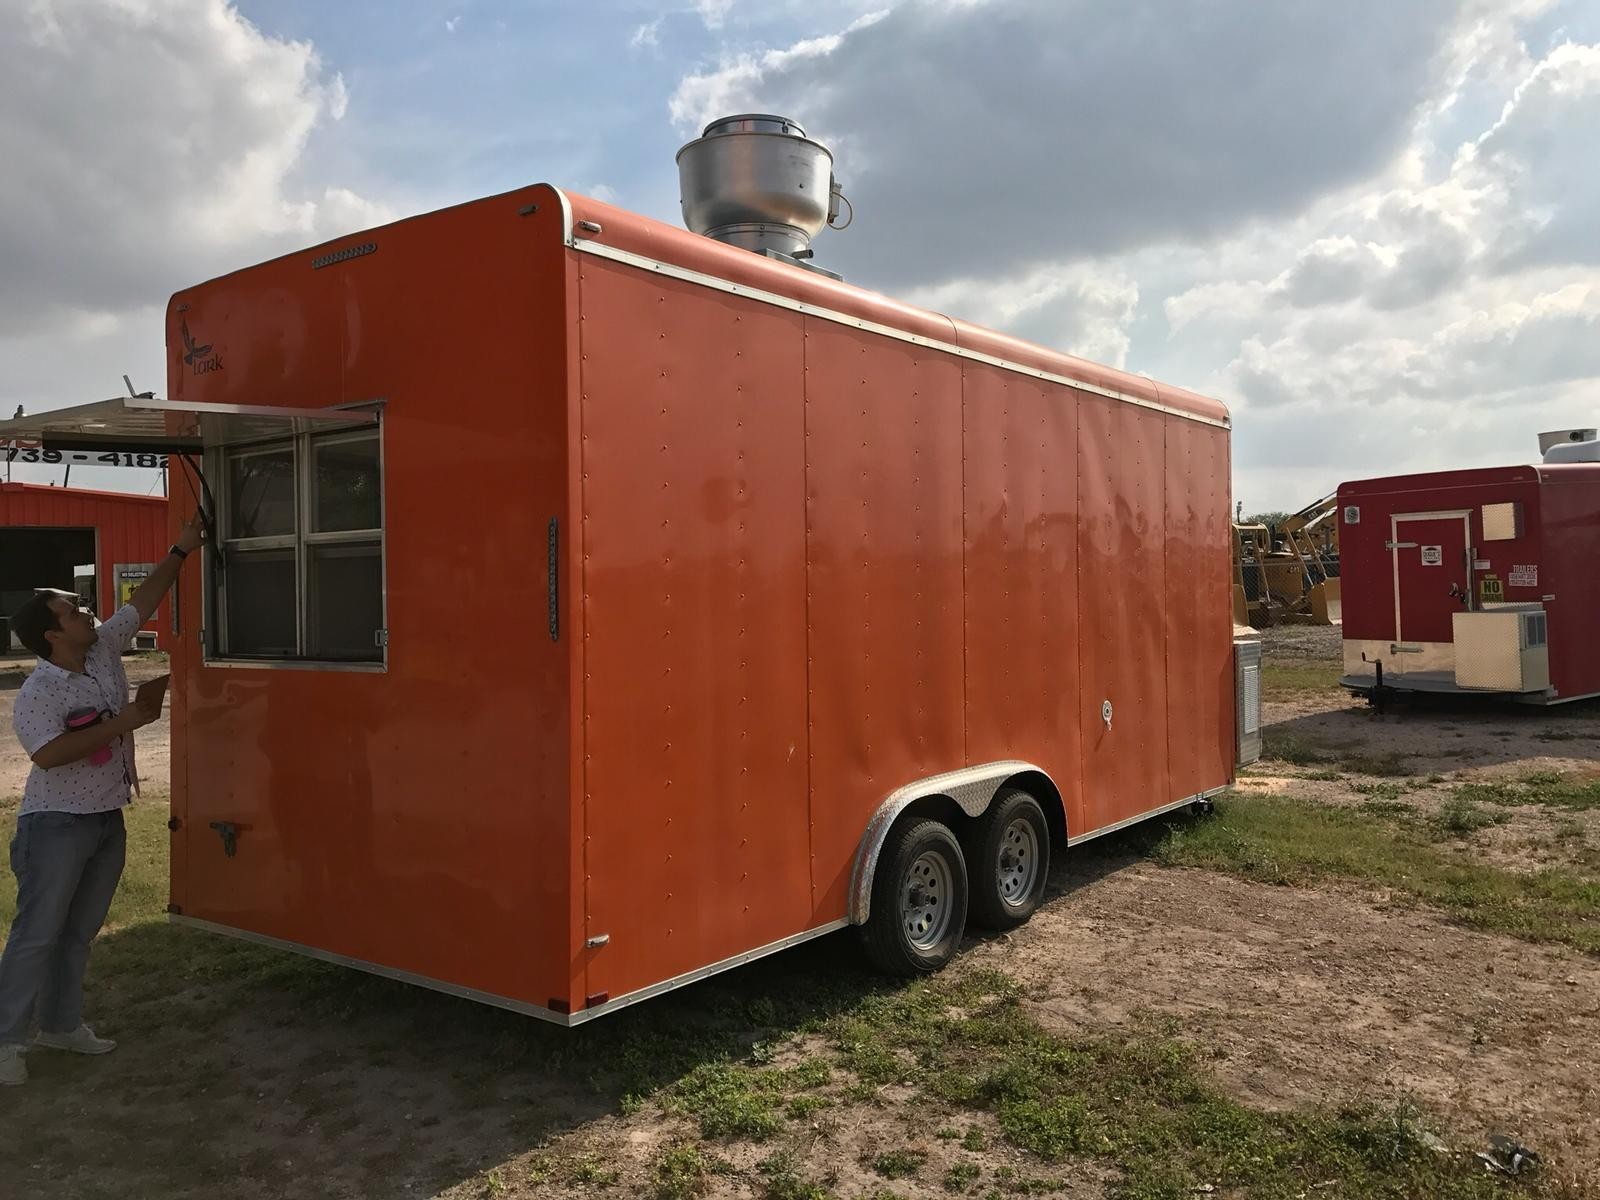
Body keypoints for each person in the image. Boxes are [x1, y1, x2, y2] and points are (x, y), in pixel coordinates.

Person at [0, 515, 203, 1086]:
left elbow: (144, 600)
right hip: (56, 825)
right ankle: (6, 1041)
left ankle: (61, 1026)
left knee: (78, 930)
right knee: (37, 931)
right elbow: (47, 754)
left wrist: (182, 549)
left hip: (105, 817)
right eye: (74, 610)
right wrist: (126, 721)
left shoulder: (103, 649)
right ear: (52, 635)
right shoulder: (38, 693)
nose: (88, 611)